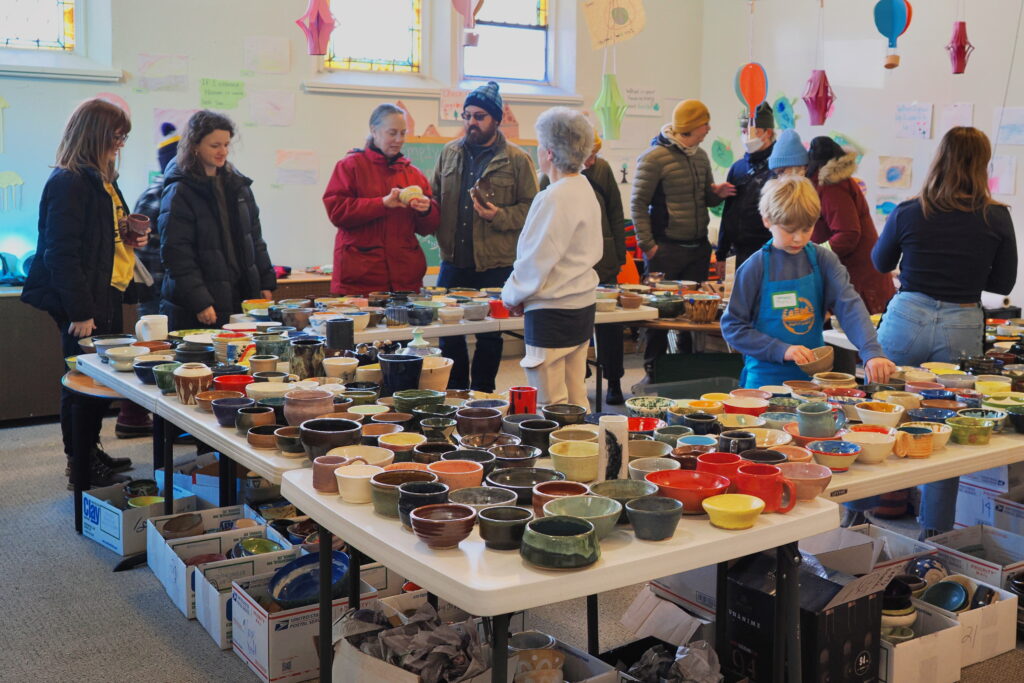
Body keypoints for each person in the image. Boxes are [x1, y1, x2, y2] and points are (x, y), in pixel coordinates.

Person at [871, 126, 1017, 537]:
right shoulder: (996, 216)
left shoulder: (909, 210)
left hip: (906, 316)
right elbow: (1003, 284)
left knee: (879, 420)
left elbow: (881, 263)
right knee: (945, 436)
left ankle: (856, 517)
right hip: (961, 321)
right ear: (983, 166)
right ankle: (933, 538)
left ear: (939, 159)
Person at [21, 98, 141, 487]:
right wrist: (79, 312)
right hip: (82, 299)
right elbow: (61, 252)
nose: (121, 142)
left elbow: (102, 233)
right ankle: (81, 466)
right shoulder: (68, 181)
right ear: (96, 135)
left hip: (105, 291)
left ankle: (92, 451)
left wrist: (129, 235)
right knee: (81, 384)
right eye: (116, 135)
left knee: (98, 384)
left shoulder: (103, 178)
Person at [720, 175, 895, 389]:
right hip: (764, 382)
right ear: (767, 220)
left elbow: (849, 307)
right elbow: (733, 327)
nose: (798, 239)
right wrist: (781, 349)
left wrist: (871, 351)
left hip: (813, 382)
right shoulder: (754, 267)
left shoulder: (824, 260)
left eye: (806, 229)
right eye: (789, 230)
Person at [431, 82, 538, 392]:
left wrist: (499, 216)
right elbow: (435, 196)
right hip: (454, 262)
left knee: (491, 334)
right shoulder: (449, 153)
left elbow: (533, 209)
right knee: (449, 331)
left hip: (496, 264)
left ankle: (483, 393)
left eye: (479, 116)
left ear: (495, 119)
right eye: (466, 115)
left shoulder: (517, 160)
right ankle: (456, 391)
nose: (470, 122)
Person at [502, 108, 602, 406]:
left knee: (551, 404)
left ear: (548, 152)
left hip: (552, 310)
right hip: (582, 305)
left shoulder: (554, 196)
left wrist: (512, 295)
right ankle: (585, 450)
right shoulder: (584, 188)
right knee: (576, 396)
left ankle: (562, 453)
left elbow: (536, 259)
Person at [631, 99, 735, 378]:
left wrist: (717, 193)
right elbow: (638, 204)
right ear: (691, 126)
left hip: (698, 248)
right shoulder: (653, 158)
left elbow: (705, 196)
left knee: (694, 317)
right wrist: (649, 247)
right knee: (659, 315)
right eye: (705, 124)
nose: (708, 129)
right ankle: (653, 369)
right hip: (665, 249)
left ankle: (686, 369)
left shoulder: (700, 156)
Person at [158, 110, 276, 330]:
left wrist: (265, 281)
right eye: (215, 146)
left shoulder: (238, 186)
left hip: (238, 297)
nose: (223, 151)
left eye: (226, 144)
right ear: (195, 145)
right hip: (198, 305)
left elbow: (255, 238)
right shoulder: (179, 190)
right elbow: (176, 253)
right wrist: (200, 301)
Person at [539, 131, 628, 404]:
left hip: (605, 257)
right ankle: (581, 373)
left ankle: (614, 379)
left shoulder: (602, 170)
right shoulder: (550, 178)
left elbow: (615, 211)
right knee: (577, 319)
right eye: (588, 155)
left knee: (610, 325)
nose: (591, 161)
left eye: (595, 155)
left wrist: (620, 255)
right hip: (572, 262)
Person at [323, 103, 439, 295]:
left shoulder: (413, 175)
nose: (399, 140)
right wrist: (381, 204)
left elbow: (428, 228)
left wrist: (427, 210)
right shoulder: (350, 167)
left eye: (403, 133)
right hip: (360, 280)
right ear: (374, 130)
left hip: (405, 280)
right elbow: (337, 212)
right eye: (392, 133)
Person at [807, 136, 895, 314]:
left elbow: (848, 234)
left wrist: (814, 253)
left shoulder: (831, 186)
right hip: (857, 276)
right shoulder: (834, 183)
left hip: (859, 280)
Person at [716, 102, 777, 269]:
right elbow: (727, 212)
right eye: (743, 132)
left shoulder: (777, 167)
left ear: (768, 132)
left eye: (751, 132)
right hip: (737, 253)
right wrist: (721, 252)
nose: (746, 136)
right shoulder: (738, 168)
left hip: (767, 252)